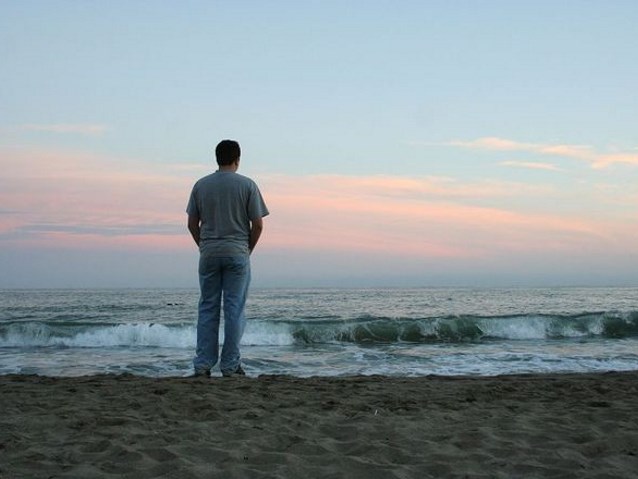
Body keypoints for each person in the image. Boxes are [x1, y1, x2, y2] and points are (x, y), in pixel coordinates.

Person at [186, 139, 269, 377]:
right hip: (237, 251)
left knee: (208, 307)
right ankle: (230, 365)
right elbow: (258, 225)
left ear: (217, 158)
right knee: (234, 309)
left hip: (209, 252)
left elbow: (192, 224)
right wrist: (247, 249)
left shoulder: (201, 185)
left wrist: (204, 246)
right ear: (237, 159)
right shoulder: (247, 185)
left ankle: (203, 364)